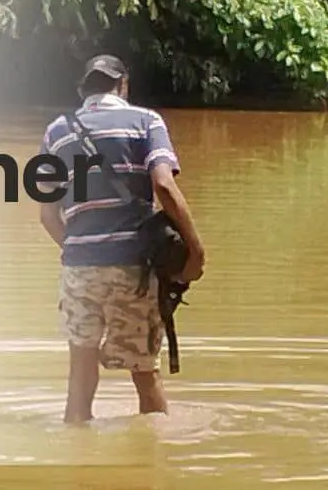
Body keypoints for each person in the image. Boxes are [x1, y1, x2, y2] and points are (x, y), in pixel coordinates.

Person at [36, 54, 206, 424]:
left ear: (84, 89)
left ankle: (78, 464)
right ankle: (150, 466)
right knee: (145, 373)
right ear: (123, 85)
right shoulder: (145, 121)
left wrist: (82, 251)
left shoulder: (56, 132)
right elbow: (163, 183)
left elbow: (47, 213)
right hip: (133, 267)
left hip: (78, 269)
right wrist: (196, 250)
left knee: (79, 377)